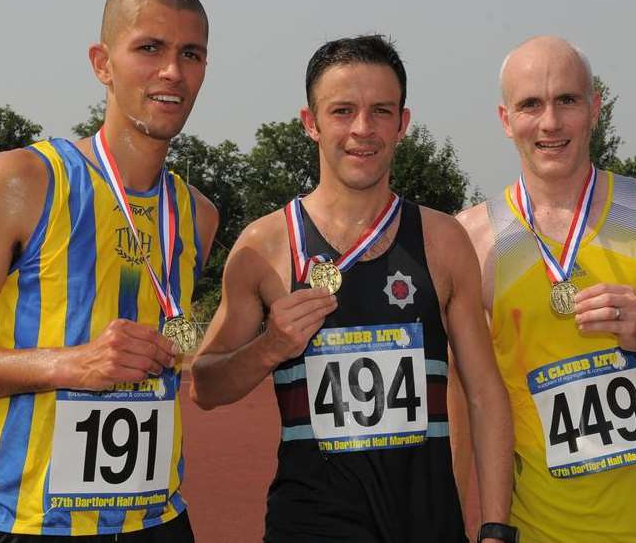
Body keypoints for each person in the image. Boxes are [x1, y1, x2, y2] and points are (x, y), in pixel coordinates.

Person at [0, 0, 218, 542]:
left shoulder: (197, 214)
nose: (173, 71)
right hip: (27, 524)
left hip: (159, 521)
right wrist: (72, 365)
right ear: (103, 63)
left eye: (190, 54)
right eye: (150, 48)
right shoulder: (23, 181)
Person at [189, 35, 515, 543]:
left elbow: (484, 393)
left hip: (425, 524)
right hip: (310, 524)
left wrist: (496, 528)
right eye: (342, 111)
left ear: (402, 123)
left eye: (380, 111)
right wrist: (270, 347)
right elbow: (205, 385)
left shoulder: (441, 240)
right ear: (311, 122)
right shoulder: (266, 244)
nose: (362, 129)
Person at [453, 35, 636, 542]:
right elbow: (465, 403)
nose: (550, 123)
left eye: (567, 99)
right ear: (505, 119)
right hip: (539, 530)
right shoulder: (472, 241)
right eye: (530, 105)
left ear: (595, 108)